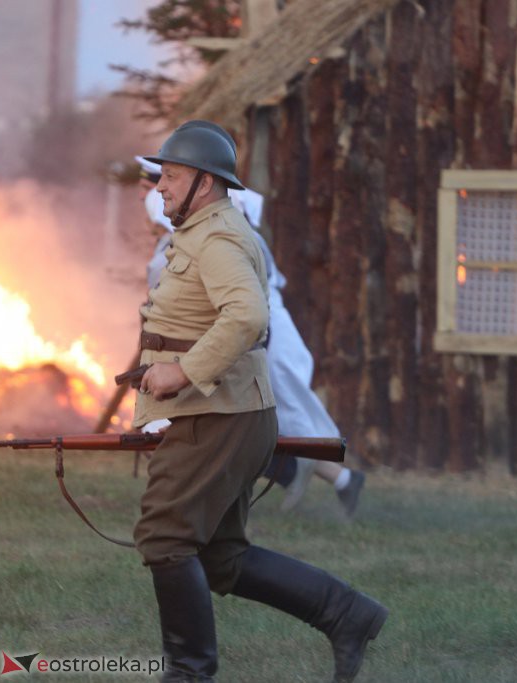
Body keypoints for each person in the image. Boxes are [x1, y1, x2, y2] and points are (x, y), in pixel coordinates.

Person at [132, 120, 386, 682]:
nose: (160, 187)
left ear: (204, 180)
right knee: (221, 558)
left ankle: (190, 673)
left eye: (170, 176)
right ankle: (348, 614)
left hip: (217, 417)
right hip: (222, 414)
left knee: (165, 537)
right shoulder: (202, 230)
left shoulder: (219, 237)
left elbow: (247, 315)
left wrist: (182, 370)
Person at [143, 181, 367, 516]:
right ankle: (336, 480)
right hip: (252, 335)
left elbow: (243, 312)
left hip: (260, 337)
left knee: (272, 421)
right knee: (266, 422)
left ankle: (321, 478)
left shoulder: (228, 241)